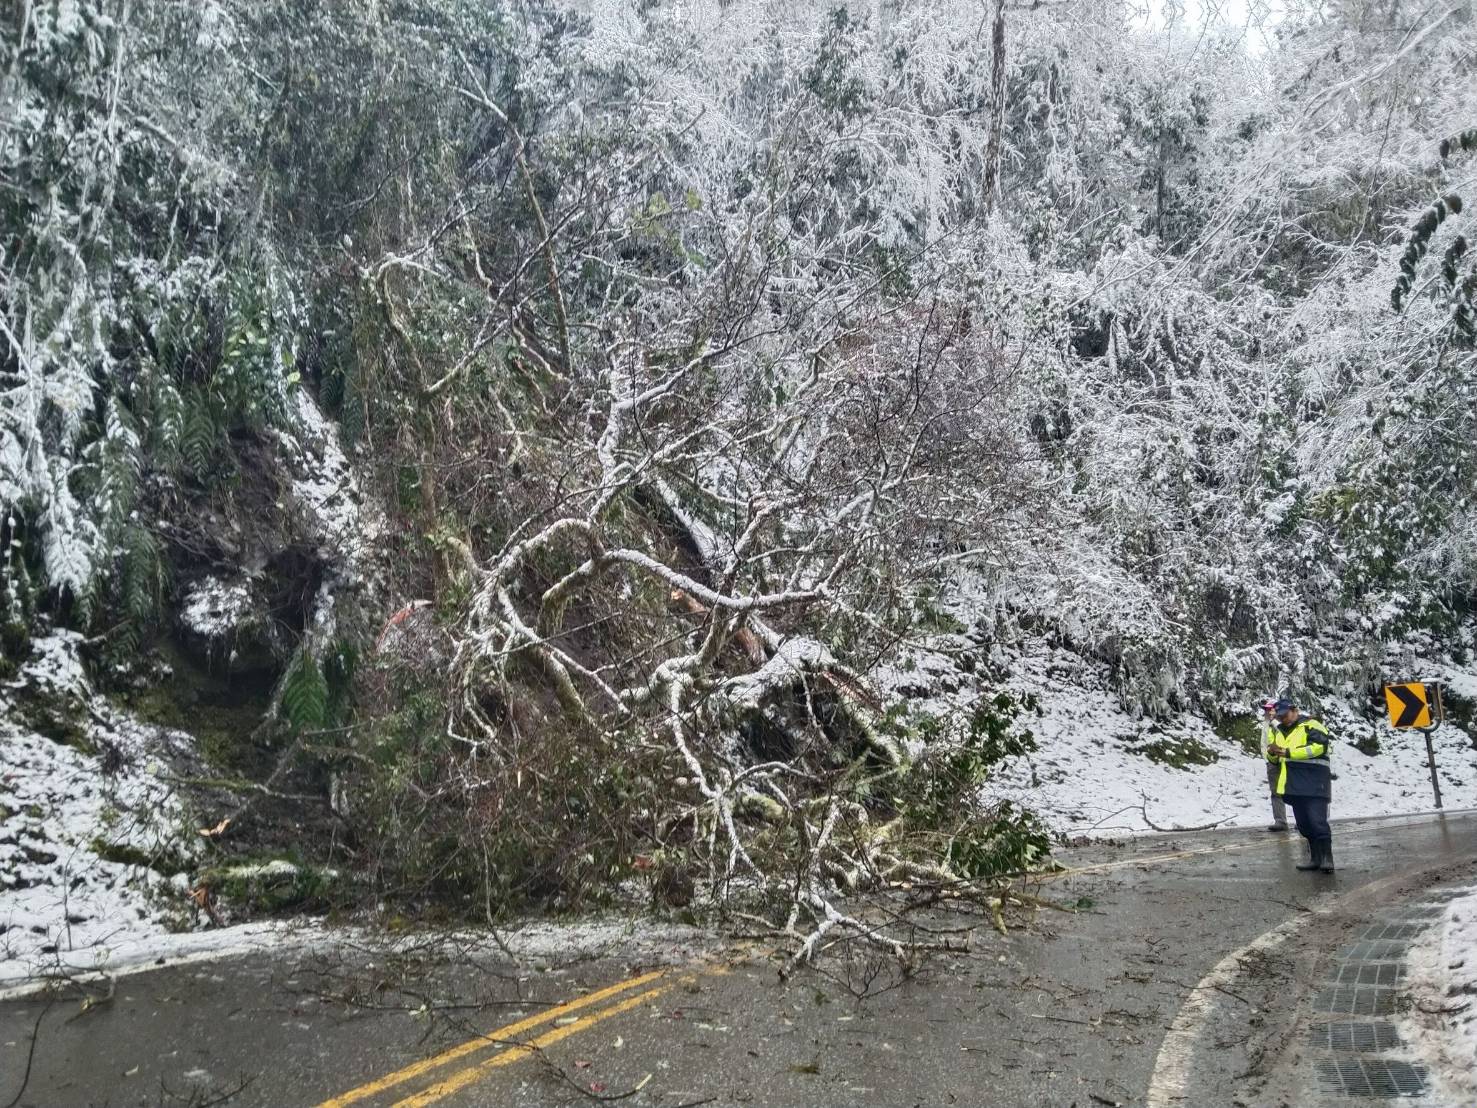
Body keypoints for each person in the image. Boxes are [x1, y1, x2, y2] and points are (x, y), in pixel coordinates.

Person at [1266, 698, 1335, 873]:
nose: (1283, 719)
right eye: (1280, 717)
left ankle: (1327, 859)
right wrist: (1273, 754)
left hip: (1314, 782)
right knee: (1304, 825)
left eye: (1285, 715)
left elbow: (1319, 747)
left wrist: (1289, 752)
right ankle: (1315, 858)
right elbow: (1276, 759)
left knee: (1317, 822)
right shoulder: (1278, 731)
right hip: (1293, 784)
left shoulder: (1311, 725)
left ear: (1294, 710)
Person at [1259, 698, 1290, 832]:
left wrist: (1275, 721)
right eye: (1266, 709)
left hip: (1287, 758)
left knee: (1295, 790)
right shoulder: (1266, 724)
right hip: (1272, 761)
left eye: (1270, 709)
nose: (1267, 712)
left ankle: (1304, 819)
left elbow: (1285, 734)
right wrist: (1266, 757)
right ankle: (1280, 821)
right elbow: (1264, 742)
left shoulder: (1283, 722)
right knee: (1275, 792)